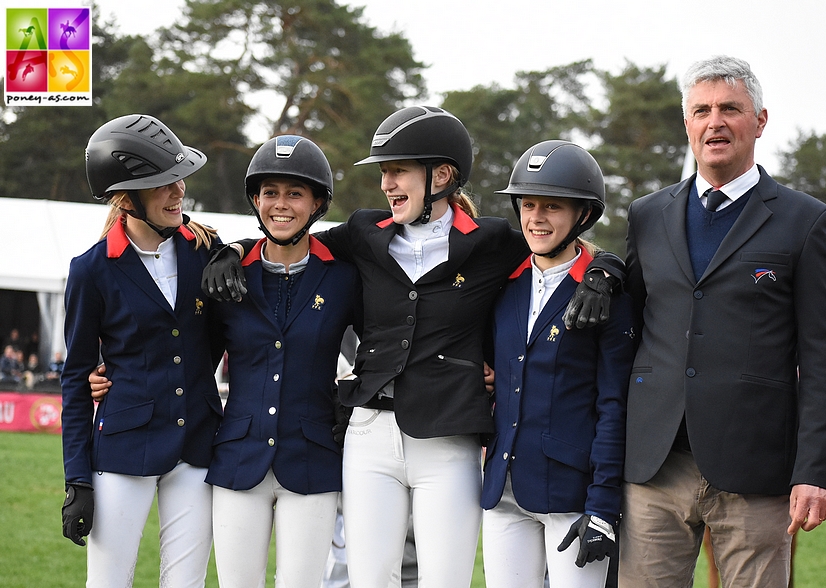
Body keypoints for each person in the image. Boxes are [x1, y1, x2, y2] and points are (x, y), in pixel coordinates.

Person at [202, 106, 622, 588]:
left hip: (448, 441)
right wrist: (231, 250)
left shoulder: (492, 242)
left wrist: (604, 270)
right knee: (369, 581)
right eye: (384, 172)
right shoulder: (363, 233)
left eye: (398, 170)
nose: (387, 184)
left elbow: (560, 242)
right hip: (368, 436)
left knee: (445, 580)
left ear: (441, 175)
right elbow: (288, 235)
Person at [567, 55, 826, 587]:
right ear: (687, 124)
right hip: (655, 463)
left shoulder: (807, 222)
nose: (714, 121)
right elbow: (630, 312)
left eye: (730, 109)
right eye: (701, 110)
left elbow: (824, 356)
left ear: (760, 121)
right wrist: (602, 267)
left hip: (755, 469)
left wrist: (815, 471)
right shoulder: (648, 214)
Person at [60, 114, 224, 586]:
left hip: (196, 444)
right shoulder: (91, 270)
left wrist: (235, 251)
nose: (180, 192)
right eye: (165, 184)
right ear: (126, 198)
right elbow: (75, 377)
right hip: (123, 449)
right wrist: (78, 479)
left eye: (180, 181)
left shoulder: (205, 252)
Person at [207, 135, 360, 587]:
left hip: (312, 458)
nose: (281, 204)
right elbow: (191, 358)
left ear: (317, 204)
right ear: (255, 200)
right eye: (270, 192)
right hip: (238, 457)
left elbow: (385, 340)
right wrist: (109, 375)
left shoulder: (344, 278)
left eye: (295, 193)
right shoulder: (228, 273)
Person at [480, 140, 635, 588]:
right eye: (528, 205)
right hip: (504, 490)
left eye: (552, 206)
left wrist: (603, 507)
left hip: (572, 495)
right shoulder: (504, 286)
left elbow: (614, 406)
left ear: (582, 215)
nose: (536, 218)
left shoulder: (607, 295)